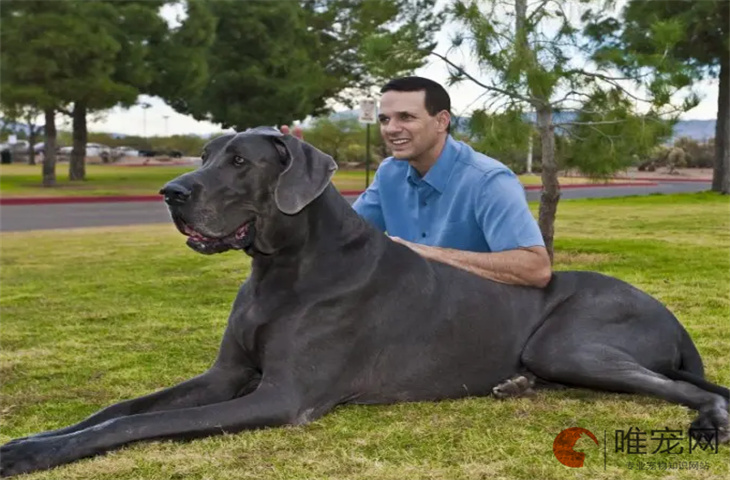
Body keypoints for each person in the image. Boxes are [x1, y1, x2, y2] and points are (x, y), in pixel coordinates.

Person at [352, 76, 552, 288]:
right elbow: (347, 236)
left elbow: (536, 269)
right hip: (411, 308)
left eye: (406, 117)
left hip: (480, 313)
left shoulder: (489, 181)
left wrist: (425, 254)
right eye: (384, 119)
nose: (391, 129)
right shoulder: (389, 173)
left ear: (441, 121)